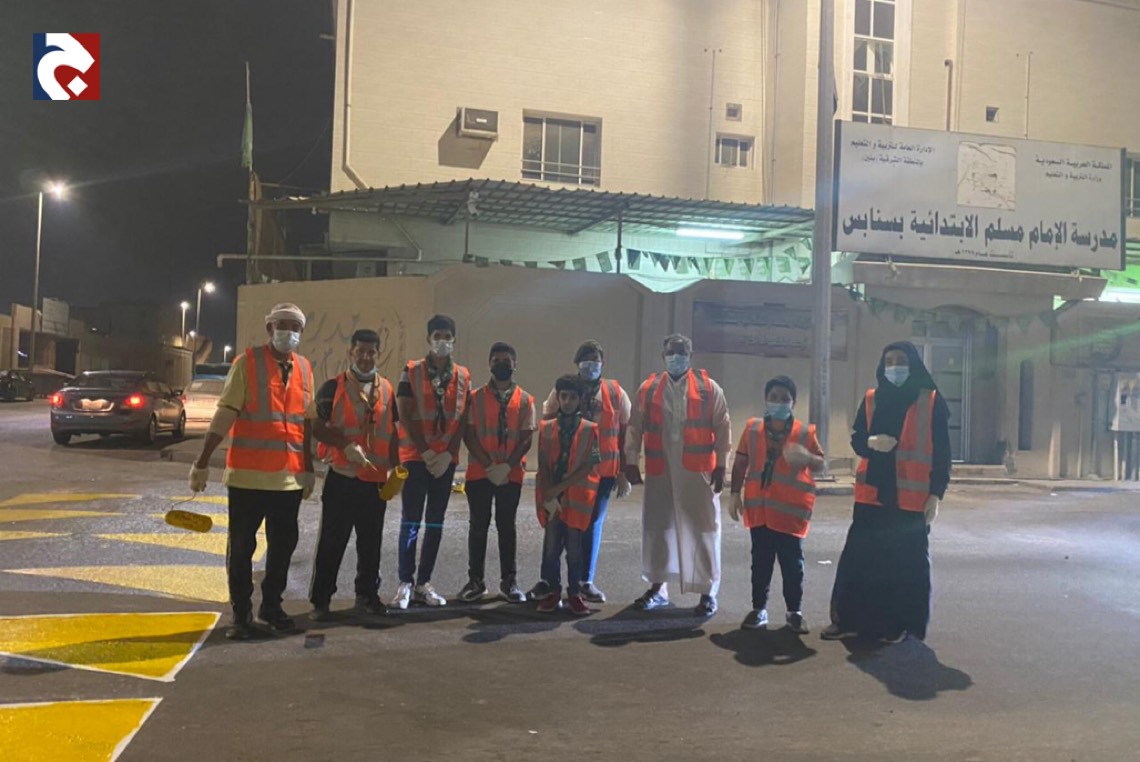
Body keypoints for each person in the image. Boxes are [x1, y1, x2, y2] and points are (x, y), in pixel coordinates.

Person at [189, 303, 316, 640]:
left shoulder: (305, 368)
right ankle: (241, 614)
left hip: (288, 479)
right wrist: (202, 460)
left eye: (294, 327)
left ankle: (271, 606)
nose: (288, 332)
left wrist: (308, 468)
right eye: (282, 325)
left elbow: (306, 422)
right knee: (242, 548)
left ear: (301, 332)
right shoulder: (247, 363)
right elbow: (225, 412)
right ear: (269, 328)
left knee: (283, 548)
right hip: (247, 477)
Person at [822, 341, 951, 644]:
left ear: (913, 364)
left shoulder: (931, 401)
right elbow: (857, 439)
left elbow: (942, 452)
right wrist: (870, 443)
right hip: (873, 493)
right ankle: (848, 620)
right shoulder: (872, 399)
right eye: (889, 361)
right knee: (860, 560)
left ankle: (900, 625)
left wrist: (936, 494)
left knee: (906, 564)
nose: (894, 367)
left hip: (910, 497)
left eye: (900, 360)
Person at [624, 333, 732, 617]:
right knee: (658, 527)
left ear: (691, 356)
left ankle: (708, 593)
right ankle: (658, 588)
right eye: (671, 352)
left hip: (698, 472)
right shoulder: (648, 389)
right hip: (660, 471)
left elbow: (723, 426)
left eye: (682, 352)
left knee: (704, 528)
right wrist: (630, 460)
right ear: (663, 356)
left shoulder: (709, 389)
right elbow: (635, 425)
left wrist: (722, 465)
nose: (676, 357)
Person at [307, 328, 399, 621]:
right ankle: (321, 601)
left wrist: (396, 469)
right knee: (331, 543)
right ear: (351, 352)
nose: (365, 357)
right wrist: (344, 446)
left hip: (375, 481)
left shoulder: (387, 389)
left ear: (378, 354)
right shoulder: (332, 388)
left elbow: (392, 431)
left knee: (370, 545)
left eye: (371, 352)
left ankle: (368, 596)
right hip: (342, 477)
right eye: (360, 351)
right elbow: (316, 426)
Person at [531, 340, 631, 603]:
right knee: (556, 525)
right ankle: (549, 581)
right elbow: (548, 429)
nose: (591, 364)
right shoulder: (563, 389)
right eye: (586, 359)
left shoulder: (616, 392)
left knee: (590, 525)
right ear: (577, 363)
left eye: (595, 359)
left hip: (602, 470)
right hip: (563, 471)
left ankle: (584, 581)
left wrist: (624, 471)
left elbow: (624, 433)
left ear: (603, 362)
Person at [728, 376, 825, 632]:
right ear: (765, 400)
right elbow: (741, 462)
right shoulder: (752, 429)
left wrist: (807, 457)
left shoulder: (804, 433)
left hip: (790, 513)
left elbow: (821, 464)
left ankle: (794, 612)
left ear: (793, 402)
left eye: (785, 398)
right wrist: (734, 493)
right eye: (774, 397)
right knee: (760, 563)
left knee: (793, 566)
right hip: (759, 511)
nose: (779, 402)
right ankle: (758, 609)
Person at [392, 314, 471, 609]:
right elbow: (404, 411)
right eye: (437, 336)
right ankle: (405, 582)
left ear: (454, 339)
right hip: (417, 456)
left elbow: (463, 418)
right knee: (411, 520)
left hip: (445, 460)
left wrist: (448, 452)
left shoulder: (463, 375)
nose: (442, 341)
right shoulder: (411, 370)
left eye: (447, 336)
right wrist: (425, 451)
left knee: (435, 522)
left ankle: (423, 582)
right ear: (429, 339)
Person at [458, 342, 536, 604]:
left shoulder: (525, 400)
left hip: (510, 475)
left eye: (507, 360)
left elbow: (526, 438)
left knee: (507, 527)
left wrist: (507, 466)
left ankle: (509, 581)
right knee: (478, 527)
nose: (502, 364)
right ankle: (475, 581)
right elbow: (468, 434)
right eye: (497, 360)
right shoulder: (475, 398)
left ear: (515, 364)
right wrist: (489, 465)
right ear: (489, 364)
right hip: (480, 473)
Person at [534, 374, 600, 616]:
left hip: (576, 498)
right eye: (564, 396)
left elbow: (589, 465)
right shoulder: (546, 428)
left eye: (573, 397)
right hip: (553, 499)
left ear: (580, 399)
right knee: (551, 547)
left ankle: (574, 594)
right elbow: (543, 461)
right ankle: (553, 592)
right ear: (558, 398)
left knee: (574, 549)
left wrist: (560, 487)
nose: (568, 401)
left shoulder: (590, 430)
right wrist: (550, 491)